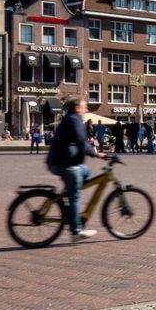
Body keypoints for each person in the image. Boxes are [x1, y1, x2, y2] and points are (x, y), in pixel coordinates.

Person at [46, 97, 106, 241]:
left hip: (67, 161)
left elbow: (80, 141)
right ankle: (76, 231)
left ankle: (68, 193)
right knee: (76, 195)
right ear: (77, 108)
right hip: (64, 163)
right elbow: (80, 140)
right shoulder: (73, 120)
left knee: (86, 171)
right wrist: (95, 153)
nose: (86, 109)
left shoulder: (73, 119)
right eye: (84, 107)